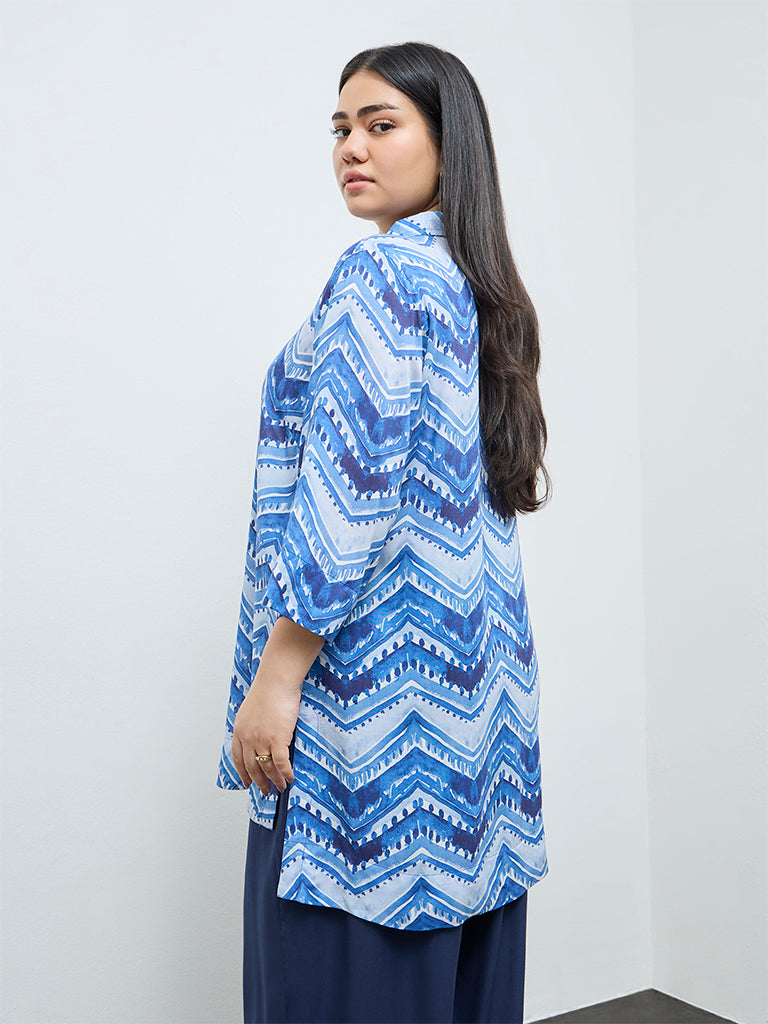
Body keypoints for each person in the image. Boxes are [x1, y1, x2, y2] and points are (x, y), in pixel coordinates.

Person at [216, 40, 551, 1024]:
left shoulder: (381, 273)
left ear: (449, 143)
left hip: (367, 722)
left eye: (380, 123)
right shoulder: (472, 286)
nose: (351, 148)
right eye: (340, 128)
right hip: (474, 720)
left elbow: (349, 494)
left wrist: (278, 679)